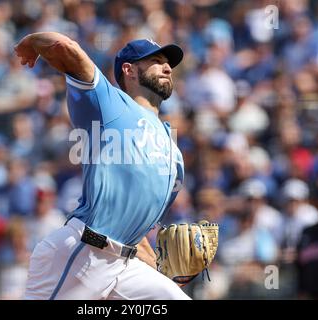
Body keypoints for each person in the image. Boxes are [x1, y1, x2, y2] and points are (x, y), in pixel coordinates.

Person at [14, 32, 190, 299]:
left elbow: (137, 230)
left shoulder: (173, 150)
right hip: (83, 254)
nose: (167, 67)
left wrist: (160, 271)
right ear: (129, 70)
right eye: (156, 60)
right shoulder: (111, 104)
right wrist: (32, 41)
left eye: (169, 63)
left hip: (125, 265)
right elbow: (68, 49)